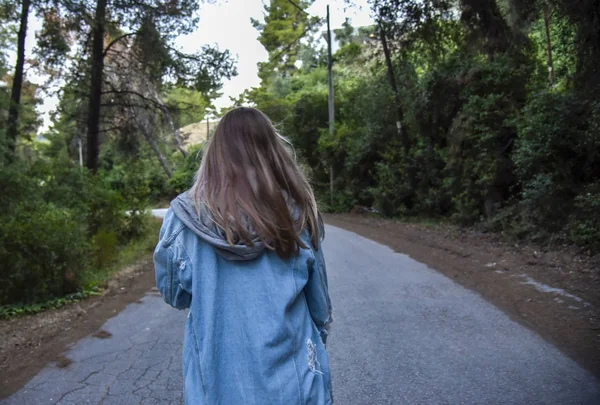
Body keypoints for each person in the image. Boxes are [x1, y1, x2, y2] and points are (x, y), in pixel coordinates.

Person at [154, 107, 333, 405]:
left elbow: (174, 294)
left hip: (215, 388)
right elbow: (319, 307)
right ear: (272, 154)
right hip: (294, 388)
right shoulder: (297, 213)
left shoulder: (184, 218)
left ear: (215, 156)